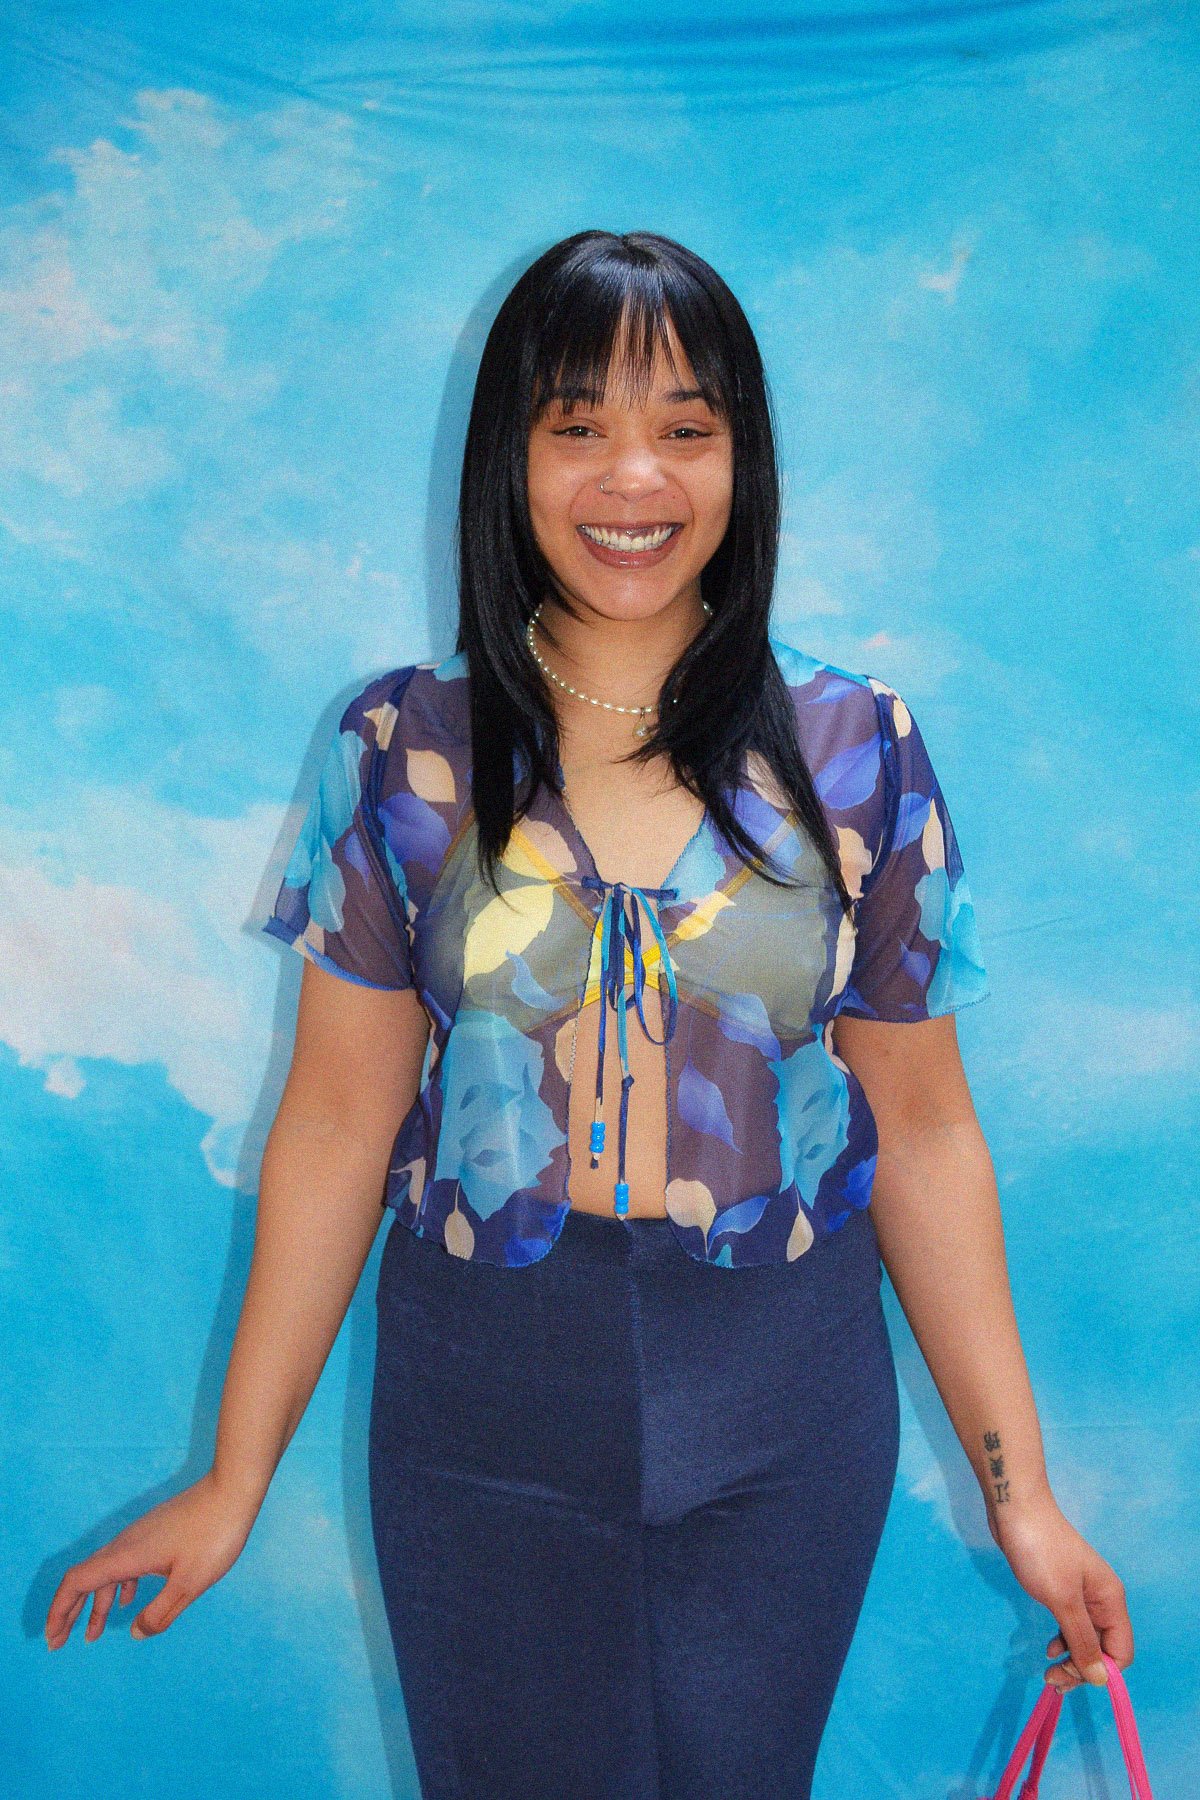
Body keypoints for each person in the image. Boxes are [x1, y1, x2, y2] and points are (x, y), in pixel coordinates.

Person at [45, 230, 1134, 1798]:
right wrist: (234, 1478)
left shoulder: (856, 746)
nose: (636, 476)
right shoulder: (402, 745)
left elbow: (928, 1129)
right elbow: (340, 1121)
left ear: (743, 460)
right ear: (513, 456)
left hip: (785, 1405)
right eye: (580, 427)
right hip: (481, 1408)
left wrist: (1020, 1498)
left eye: (687, 426)